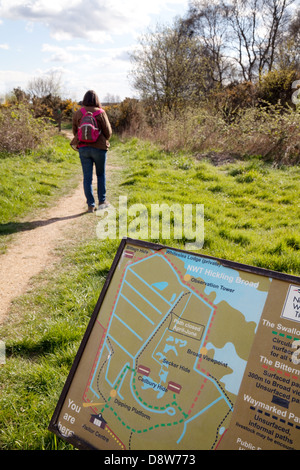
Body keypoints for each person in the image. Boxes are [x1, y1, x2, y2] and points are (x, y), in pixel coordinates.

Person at [71, 90, 112, 212]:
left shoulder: (78, 113)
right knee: (100, 175)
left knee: (87, 177)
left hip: (83, 148)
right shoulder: (101, 113)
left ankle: (90, 204)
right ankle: (102, 202)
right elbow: (108, 133)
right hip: (99, 148)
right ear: (97, 100)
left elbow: (75, 132)